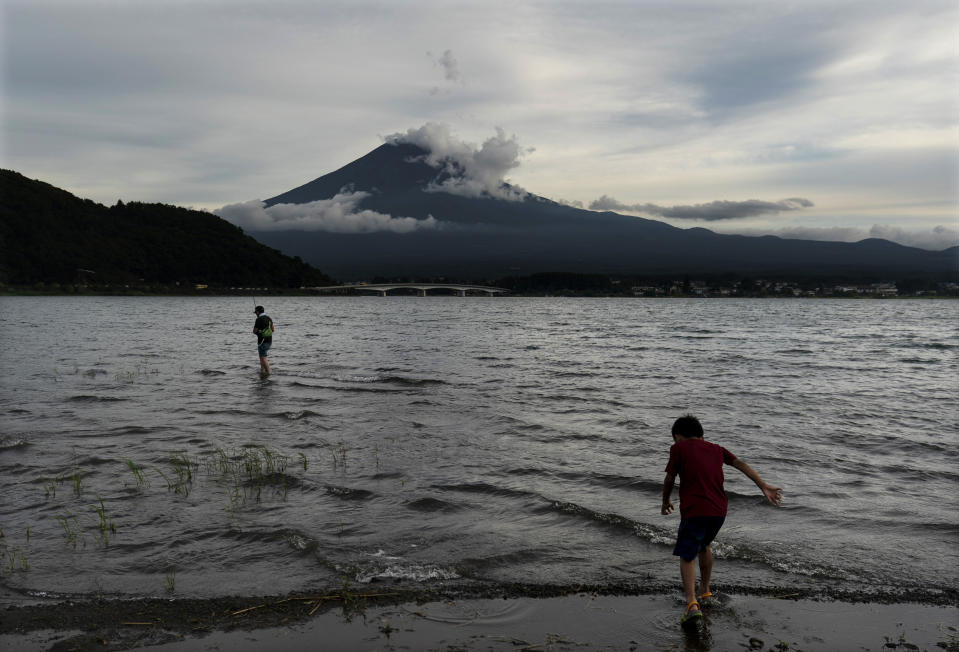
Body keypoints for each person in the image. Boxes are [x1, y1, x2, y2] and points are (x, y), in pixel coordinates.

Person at [661, 414, 782, 624]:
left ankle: (691, 603)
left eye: (675, 439)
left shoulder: (678, 448)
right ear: (701, 434)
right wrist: (763, 485)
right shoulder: (717, 448)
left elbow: (670, 477)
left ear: (678, 436)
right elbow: (741, 465)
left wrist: (665, 501)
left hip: (695, 509)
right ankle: (705, 590)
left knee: (686, 554)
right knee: (704, 545)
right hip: (719, 510)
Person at [252, 305, 274, 376]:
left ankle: (268, 372)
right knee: (261, 356)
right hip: (269, 341)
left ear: (258, 312)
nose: (255, 314)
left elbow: (254, 331)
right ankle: (262, 371)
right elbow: (273, 330)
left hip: (262, 341)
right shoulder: (269, 318)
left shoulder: (258, 319)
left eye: (256, 312)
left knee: (263, 357)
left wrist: (260, 332)